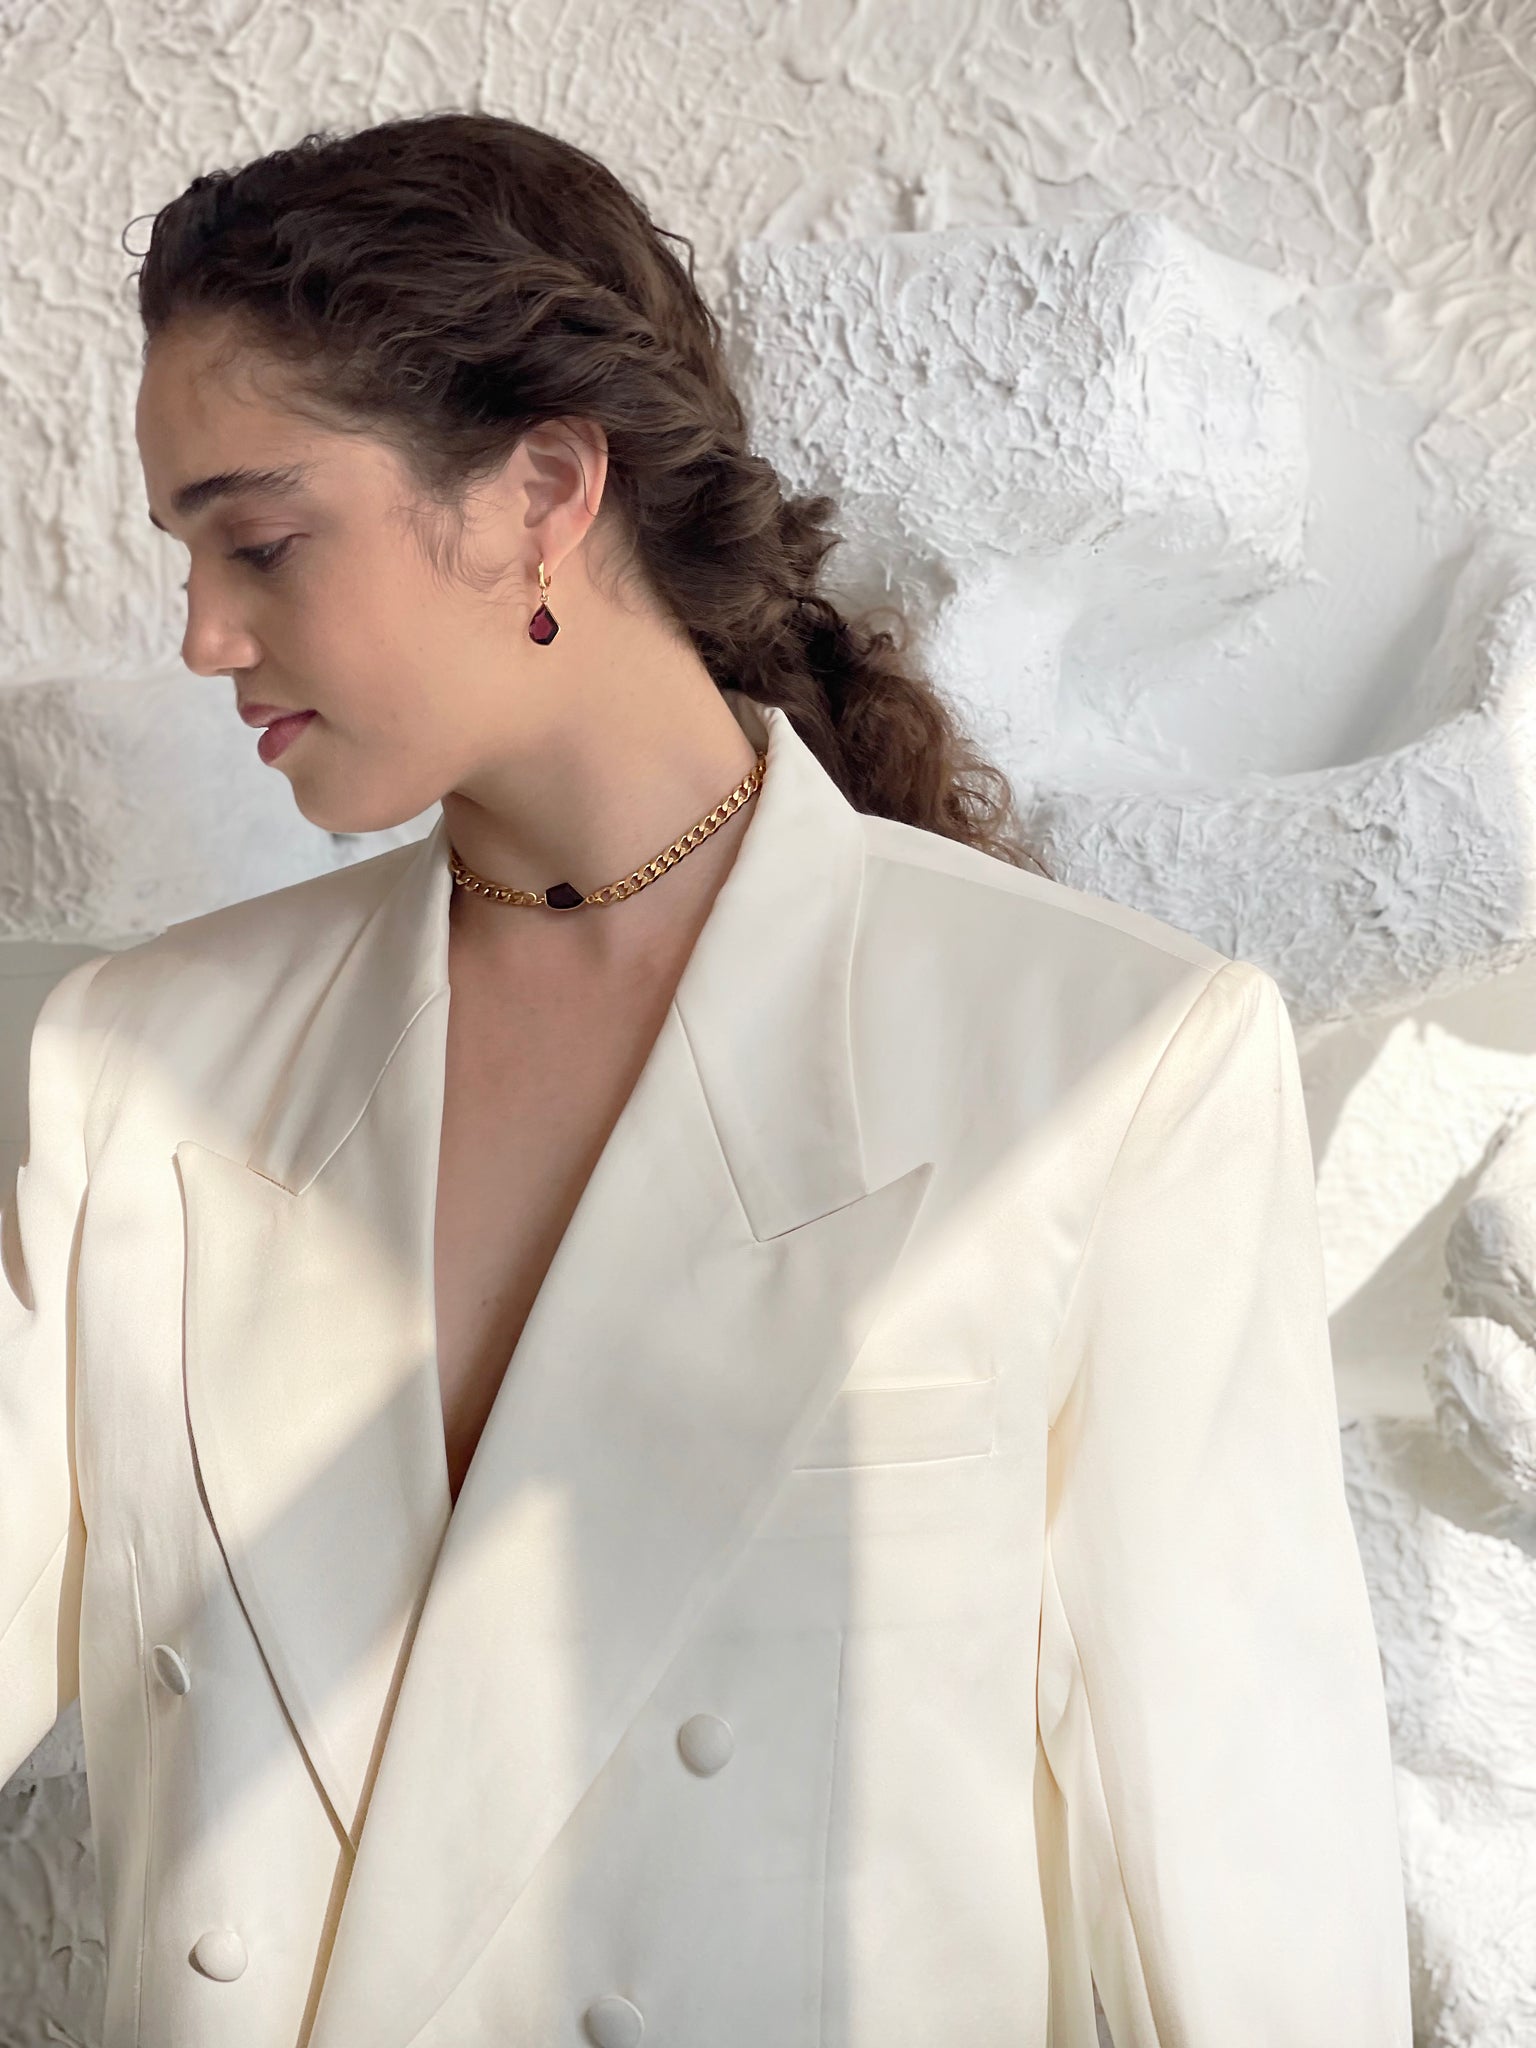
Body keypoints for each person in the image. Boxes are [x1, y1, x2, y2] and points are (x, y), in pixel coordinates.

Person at [0, 110, 1412, 2048]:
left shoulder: (1106, 1060)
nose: (203, 635)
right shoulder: (140, 1062)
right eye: (188, 554)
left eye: (259, 540)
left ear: (542, 489)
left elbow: (1252, 1903)